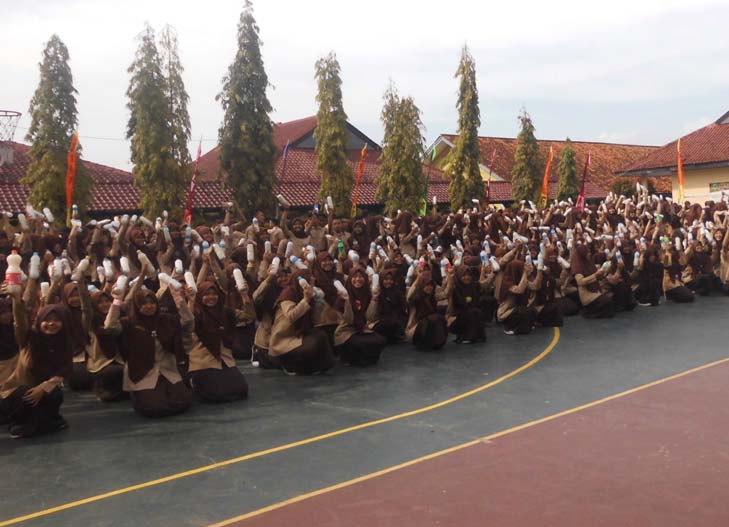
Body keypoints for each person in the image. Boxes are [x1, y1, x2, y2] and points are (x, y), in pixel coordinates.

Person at [107, 288, 192, 418]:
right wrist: (117, 301)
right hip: (141, 371)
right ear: (137, 305)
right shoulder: (128, 323)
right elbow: (110, 327)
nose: (149, 306)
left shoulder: (166, 320)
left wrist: (179, 299)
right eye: (144, 303)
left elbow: (188, 321)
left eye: (152, 302)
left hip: (167, 369)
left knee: (183, 401)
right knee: (154, 407)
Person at [0, 295, 73, 439]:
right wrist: (16, 299)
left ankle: (40, 423)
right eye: (47, 320)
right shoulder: (28, 339)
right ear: (39, 321)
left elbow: (65, 369)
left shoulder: (64, 343)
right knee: (26, 394)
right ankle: (33, 422)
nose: (51, 324)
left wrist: (43, 387)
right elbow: (20, 322)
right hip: (16, 390)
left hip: (42, 388)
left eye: (56, 320)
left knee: (54, 393)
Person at [184, 282, 249, 402]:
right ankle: (194, 381)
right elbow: (188, 322)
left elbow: (249, 315)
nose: (211, 297)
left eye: (214, 294)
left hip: (224, 357)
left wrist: (245, 296)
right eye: (206, 294)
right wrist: (191, 301)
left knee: (241, 390)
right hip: (204, 359)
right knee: (215, 394)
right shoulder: (196, 312)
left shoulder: (225, 311)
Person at [269, 270, 335, 375]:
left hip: (300, 334)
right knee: (311, 345)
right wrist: (305, 299)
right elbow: (291, 316)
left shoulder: (309, 294)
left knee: (321, 335)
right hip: (285, 338)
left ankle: (319, 366)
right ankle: (289, 364)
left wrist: (319, 303)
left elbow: (317, 320)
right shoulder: (288, 294)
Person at [334, 267, 386, 366]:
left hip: (361, 329)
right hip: (346, 331)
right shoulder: (343, 295)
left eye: (361, 277)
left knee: (380, 340)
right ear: (350, 279)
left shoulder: (367, 293)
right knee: (360, 343)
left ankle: (366, 359)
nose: (358, 279)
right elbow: (348, 320)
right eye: (355, 277)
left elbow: (369, 317)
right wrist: (347, 301)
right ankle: (349, 358)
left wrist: (374, 298)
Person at [406, 270, 448, 351]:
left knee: (438, 318)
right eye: (426, 285)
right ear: (422, 286)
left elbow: (446, 293)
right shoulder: (416, 298)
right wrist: (418, 278)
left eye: (431, 285)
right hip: (418, 326)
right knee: (433, 318)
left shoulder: (433, 297)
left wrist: (450, 278)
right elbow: (409, 297)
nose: (429, 287)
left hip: (430, 324)